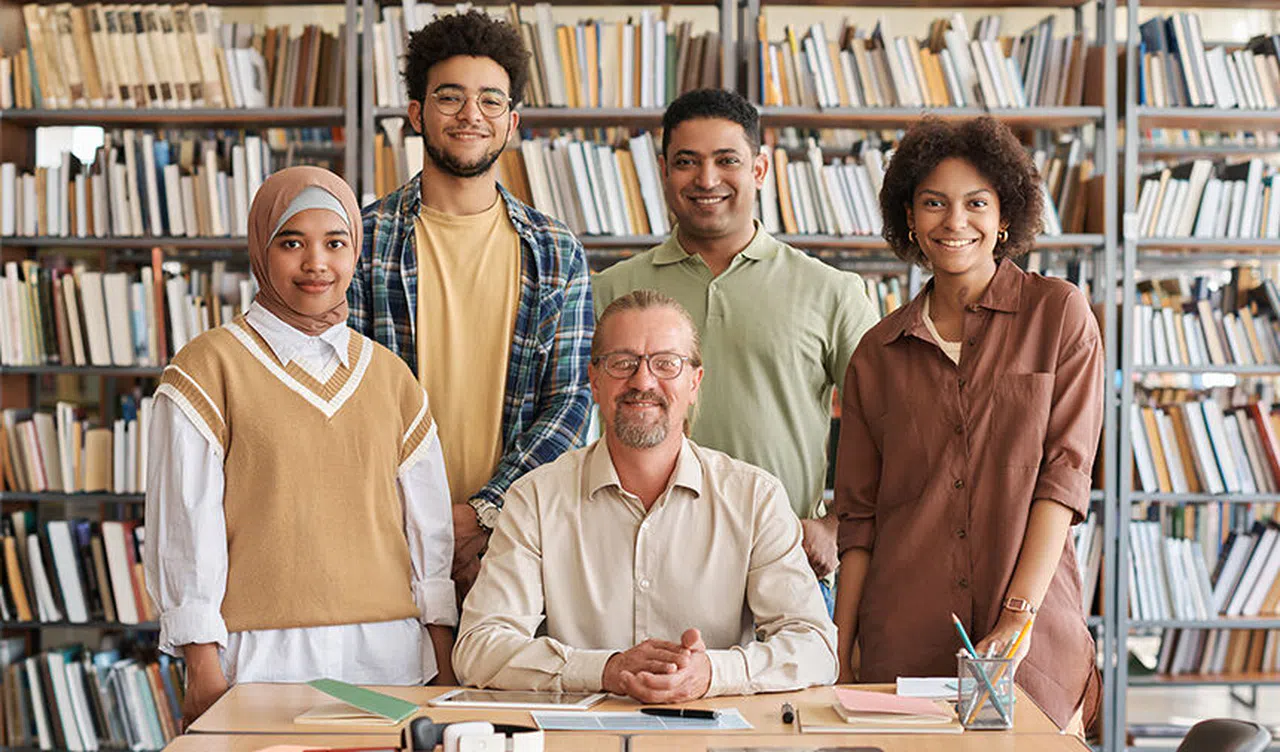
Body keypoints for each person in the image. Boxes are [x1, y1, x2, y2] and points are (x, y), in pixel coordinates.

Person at [145, 166, 457, 725]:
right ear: (261, 252)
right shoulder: (206, 367)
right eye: (292, 243)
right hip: (260, 660)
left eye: (335, 243)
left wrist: (441, 656)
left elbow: (428, 532)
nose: (317, 263)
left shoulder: (392, 377)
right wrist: (201, 663)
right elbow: (186, 525)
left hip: (389, 657)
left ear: (355, 252)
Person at [832, 117, 1103, 734]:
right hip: (902, 645)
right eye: (934, 203)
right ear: (910, 218)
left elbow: (1063, 479)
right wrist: (840, 650)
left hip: (1032, 649)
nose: (955, 222)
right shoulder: (877, 353)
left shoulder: (1059, 314)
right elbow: (859, 519)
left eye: (976, 202)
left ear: (1005, 215)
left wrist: (1017, 617)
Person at [453, 290, 837, 700]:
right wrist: (605, 669)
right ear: (594, 382)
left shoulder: (754, 498)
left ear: (694, 382)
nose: (643, 381)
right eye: (623, 363)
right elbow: (479, 649)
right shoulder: (535, 498)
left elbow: (816, 647)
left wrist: (713, 674)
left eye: (666, 364)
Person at [592, 89, 878, 609]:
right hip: (638, 561)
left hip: (786, 560)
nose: (706, 180)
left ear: (761, 169)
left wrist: (839, 525)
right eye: (687, 162)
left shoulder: (832, 291)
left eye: (727, 160)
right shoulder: (610, 291)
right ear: (663, 171)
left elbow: (892, 422)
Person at [351, 10, 593, 598]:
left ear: (512, 123)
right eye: (450, 98)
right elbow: (342, 398)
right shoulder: (361, 240)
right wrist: (421, 517)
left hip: (515, 540)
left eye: (490, 101)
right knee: (389, 692)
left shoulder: (557, 250)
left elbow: (570, 403)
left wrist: (482, 512)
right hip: (380, 535)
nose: (470, 116)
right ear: (417, 114)